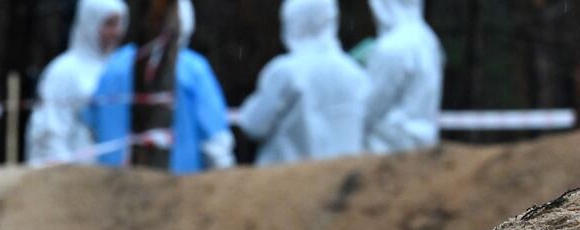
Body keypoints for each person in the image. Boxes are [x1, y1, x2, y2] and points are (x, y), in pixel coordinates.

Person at [85, 0, 234, 173]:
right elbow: (216, 139)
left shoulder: (115, 64)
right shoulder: (193, 69)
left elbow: (91, 123)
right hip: (179, 180)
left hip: (112, 179)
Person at [236, 0, 369, 166]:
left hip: (290, 176)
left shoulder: (285, 72)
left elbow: (253, 124)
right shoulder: (356, 74)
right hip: (343, 177)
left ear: (293, 22)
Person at [25, 0, 129, 164]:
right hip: (73, 172)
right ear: (91, 23)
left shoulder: (116, 69)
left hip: (111, 174)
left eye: (120, 23)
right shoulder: (64, 71)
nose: (117, 32)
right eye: (109, 24)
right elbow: (49, 131)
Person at [363, 0, 443, 153]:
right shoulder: (428, 39)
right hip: (424, 146)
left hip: (389, 151)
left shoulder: (392, 47)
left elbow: (371, 106)